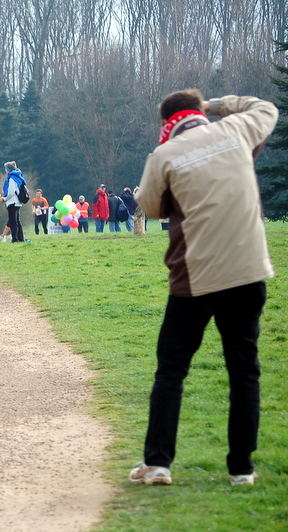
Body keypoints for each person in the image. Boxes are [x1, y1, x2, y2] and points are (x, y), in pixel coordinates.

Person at [130, 90, 277, 486]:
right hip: (248, 272)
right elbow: (266, 107)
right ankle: (241, 469)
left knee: (172, 370)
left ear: (166, 122)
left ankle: (158, 462)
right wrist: (216, 105)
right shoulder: (237, 128)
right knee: (244, 371)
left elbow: (152, 208)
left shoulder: (165, 154)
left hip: (195, 278)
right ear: (199, 113)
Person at [1, 161, 27, 243]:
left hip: (12, 202)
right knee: (17, 221)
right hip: (18, 202)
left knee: (13, 222)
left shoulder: (12, 178)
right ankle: (21, 238)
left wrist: (4, 199)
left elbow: (11, 192)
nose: (5, 170)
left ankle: (15, 239)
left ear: (8, 169)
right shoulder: (18, 176)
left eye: (5, 169)